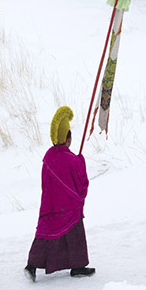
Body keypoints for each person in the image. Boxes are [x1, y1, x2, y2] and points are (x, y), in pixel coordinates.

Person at [26, 107, 95, 279]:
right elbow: (82, 184)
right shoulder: (72, 160)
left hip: (50, 205)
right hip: (70, 206)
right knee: (75, 235)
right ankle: (78, 267)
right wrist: (81, 162)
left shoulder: (48, 156)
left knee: (44, 234)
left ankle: (31, 266)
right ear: (68, 138)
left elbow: (44, 182)